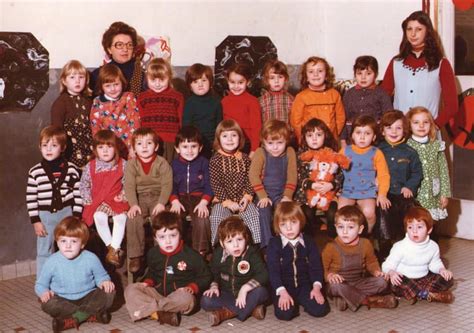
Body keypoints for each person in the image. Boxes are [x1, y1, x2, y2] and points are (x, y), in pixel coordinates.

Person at [124, 211, 212, 326]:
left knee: (187, 299)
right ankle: (161, 313)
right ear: (155, 238)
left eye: (173, 235)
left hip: (179, 296)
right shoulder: (153, 254)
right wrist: (148, 282)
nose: (168, 241)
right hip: (158, 293)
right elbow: (152, 272)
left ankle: (151, 312)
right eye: (162, 237)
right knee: (130, 289)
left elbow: (206, 276)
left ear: (180, 234)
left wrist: (192, 287)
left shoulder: (191, 255)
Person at [35, 216, 115, 332]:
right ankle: (91, 315)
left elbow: (101, 276)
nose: (68, 246)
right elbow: (40, 284)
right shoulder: (52, 261)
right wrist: (44, 292)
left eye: (73, 241)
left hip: (88, 297)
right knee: (48, 303)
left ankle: (71, 320)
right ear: (57, 242)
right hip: (63, 300)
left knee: (110, 293)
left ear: (82, 244)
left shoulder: (91, 258)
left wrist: (104, 282)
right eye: (63, 241)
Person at [381, 11, 458, 127]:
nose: (413, 34)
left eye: (418, 29)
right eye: (409, 29)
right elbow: (382, 98)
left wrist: (434, 126)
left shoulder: (442, 64)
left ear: (427, 31)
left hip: (428, 135)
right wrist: (391, 123)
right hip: (399, 133)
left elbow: (452, 106)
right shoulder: (396, 63)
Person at [26, 126, 82, 276]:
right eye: (45, 145)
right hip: (45, 217)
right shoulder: (35, 172)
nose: (49, 149)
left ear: (62, 148)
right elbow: (31, 198)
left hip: (67, 214)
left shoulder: (72, 169)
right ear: (40, 147)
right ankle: (44, 286)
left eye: (54, 145)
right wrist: (36, 221)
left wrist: (76, 216)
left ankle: (70, 279)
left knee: (70, 247)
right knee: (44, 250)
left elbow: (78, 194)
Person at [322, 206, 398, 312]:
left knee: (383, 282)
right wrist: (330, 275)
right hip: (339, 284)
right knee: (335, 287)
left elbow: (371, 262)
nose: (344, 232)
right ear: (335, 227)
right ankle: (369, 301)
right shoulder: (331, 247)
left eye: (350, 227)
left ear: (360, 229)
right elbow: (322, 268)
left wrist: (377, 272)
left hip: (358, 282)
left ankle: (346, 299)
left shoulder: (365, 244)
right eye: (340, 227)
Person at [201, 216, 269, 326]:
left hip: (248, 294)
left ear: (246, 239)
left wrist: (245, 289)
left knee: (261, 291)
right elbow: (214, 273)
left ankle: (224, 313)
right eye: (229, 241)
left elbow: (264, 274)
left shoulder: (251, 253)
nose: (236, 245)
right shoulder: (218, 254)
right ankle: (251, 310)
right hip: (227, 294)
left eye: (239, 239)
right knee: (205, 300)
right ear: (222, 244)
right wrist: (214, 286)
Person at [266, 202, 329, 320]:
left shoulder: (309, 242)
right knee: (285, 314)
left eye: (293, 222)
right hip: (284, 286)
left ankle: (302, 301)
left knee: (320, 309)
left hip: (304, 285)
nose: (289, 228)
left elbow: (316, 267)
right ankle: (292, 303)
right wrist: (281, 291)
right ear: (277, 226)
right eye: (283, 224)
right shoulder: (274, 244)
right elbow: (273, 271)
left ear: (301, 222)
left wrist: (316, 287)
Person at [124, 127, 173, 273]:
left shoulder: (162, 163)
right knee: (133, 219)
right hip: (139, 198)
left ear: (156, 146)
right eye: (139, 144)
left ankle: (162, 252)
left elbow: (167, 184)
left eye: (149, 143)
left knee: (160, 218)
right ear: (133, 148)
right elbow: (129, 186)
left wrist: (161, 203)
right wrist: (133, 205)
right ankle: (136, 256)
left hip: (158, 197)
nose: (144, 147)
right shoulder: (132, 164)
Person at [382, 206, 454, 304]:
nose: (414, 231)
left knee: (448, 279)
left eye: (419, 227)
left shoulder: (433, 246)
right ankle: (427, 294)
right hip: (405, 279)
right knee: (395, 283)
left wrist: (442, 270)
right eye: (410, 227)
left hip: (423, 278)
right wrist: (391, 272)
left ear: (429, 230)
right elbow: (387, 265)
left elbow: (435, 263)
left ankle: (416, 293)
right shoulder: (400, 246)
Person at [377, 110, 423, 259]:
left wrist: (409, 186)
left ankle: (408, 248)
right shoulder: (377, 150)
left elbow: (417, 173)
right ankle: (385, 251)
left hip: (402, 193)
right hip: (384, 192)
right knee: (383, 212)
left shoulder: (410, 152)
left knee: (410, 210)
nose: (394, 131)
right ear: (382, 131)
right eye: (389, 127)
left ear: (404, 130)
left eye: (398, 128)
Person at [80, 130, 129, 267]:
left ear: (116, 148)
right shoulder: (91, 166)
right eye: (101, 147)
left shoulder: (123, 164)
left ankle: (114, 248)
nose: (105, 151)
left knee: (121, 218)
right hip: (99, 201)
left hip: (116, 200)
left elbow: (129, 183)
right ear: (95, 150)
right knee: (98, 216)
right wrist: (87, 199)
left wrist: (123, 195)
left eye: (109, 147)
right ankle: (112, 249)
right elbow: (84, 185)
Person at [209, 120, 260, 246]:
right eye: (225, 136)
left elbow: (250, 179)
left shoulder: (245, 158)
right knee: (216, 217)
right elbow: (216, 184)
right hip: (223, 201)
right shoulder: (215, 160)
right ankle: (218, 247)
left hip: (243, 200)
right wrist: (227, 202)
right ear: (218, 139)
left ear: (240, 138)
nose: (230, 139)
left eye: (234, 135)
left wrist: (247, 197)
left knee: (254, 216)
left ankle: (256, 247)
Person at [338, 115, 391, 234]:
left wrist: (382, 194)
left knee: (369, 213)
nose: (362, 137)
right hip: (347, 191)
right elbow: (335, 170)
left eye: (367, 133)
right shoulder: (345, 151)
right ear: (352, 135)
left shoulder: (376, 153)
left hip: (367, 191)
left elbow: (383, 175)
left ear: (374, 137)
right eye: (358, 133)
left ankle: (366, 236)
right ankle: (345, 237)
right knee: (341, 212)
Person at [249, 120, 297, 248]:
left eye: (279, 143)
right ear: (264, 142)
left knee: (283, 211)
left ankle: (285, 240)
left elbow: (292, 176)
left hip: (282, 192)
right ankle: (268, 245)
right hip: (264, 192)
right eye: (270, 143)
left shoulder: (290, 152)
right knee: (264, 211)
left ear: (286, 141)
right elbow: (253, 175)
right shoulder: (261, 153)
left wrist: (287, 196)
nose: (275, 147)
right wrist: (262, 196)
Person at [170, 126, 213, 256]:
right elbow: (170, 185)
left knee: (202, 218)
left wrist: (204, 202)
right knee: (173, 219)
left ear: (200, 148)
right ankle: (174, 250)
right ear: (177, 148)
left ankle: (200, 251)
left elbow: (209, 185)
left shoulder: (204, 163)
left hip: (198, 199)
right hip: (180, 199)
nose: (189, 151)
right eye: (185, 147)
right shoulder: (174, 164)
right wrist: (174, 201)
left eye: (193, 146)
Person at [294, 118, 340, 236]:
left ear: (325, 136)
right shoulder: (301, 155)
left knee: (332, 213)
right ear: (304, 137)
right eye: (310, 135)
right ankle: (309, 239)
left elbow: (339, 175)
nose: (314, 139)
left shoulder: (331, 153)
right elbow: (298, 176)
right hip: (307, 193)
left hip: (328, 193)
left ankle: (333, 238)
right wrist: (311, 185)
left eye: (318, 135)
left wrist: (331, 185)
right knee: (307, 213)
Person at [406, 107, 451, 221]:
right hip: (416, 193)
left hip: (433, 192)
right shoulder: (406, 145)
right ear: (409, 125)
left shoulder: (437, 145)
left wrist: (444, 193)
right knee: (415, 220)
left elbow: (443, 171)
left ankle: (431, 237)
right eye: (416, 122)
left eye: (425, 122)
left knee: (430, 221)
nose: (421, 126)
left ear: (431, 125)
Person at [137, 58, 184, 163]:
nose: (157, 84)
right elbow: (139, 121)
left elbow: (181, 120)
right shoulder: (142, 97)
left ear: (169, 78)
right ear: (147, 79)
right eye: (153, 80)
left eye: (162, 80)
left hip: (171, 141)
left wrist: (180, 140)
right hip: (149, 142)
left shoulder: (177, 97)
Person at [90, 63, 140, 157]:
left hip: (128, 149)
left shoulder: (128, 97)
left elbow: (135, 123)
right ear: (102, 86)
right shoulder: (97, 102)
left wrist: (134, 146)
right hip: (107, 150)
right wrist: (99, 148)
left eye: (116, 84)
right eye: (108, 86)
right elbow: (95, 128)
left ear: (122, 82)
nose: (113, 89)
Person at [290, 56, 345, 142]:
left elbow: (340, 118)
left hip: (330, 140)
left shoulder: (334, 94)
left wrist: (334, 136)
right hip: (310, 141)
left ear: (326, 75)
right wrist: (304, 139)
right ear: (306, 77)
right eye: (311, 72)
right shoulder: (301, 97)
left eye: (320, 71)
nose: (316, 74)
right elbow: (295, 122)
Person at [51, 59, 93, 168]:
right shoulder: (61, 102)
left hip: (89, 147)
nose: (77, 81)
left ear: (86, 80)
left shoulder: (89, 101)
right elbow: (56, 129)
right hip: (70, 149)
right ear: (64, 81)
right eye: (72, 77)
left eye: (81, 77)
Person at [341, 55, 392, 146]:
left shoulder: (382, 94)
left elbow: (388, 118)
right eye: (359, 73)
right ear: (355, 74)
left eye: (368, 73)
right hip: (353, 138)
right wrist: (343, 139)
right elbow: (344, 118)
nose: (363, 77)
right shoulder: (349, 94)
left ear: (375, 74)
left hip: (376, 139)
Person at [90, 21, 145, 96]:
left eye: (129, 45)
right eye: (119, 45)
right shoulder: (97, 75)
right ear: (109, 49)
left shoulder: (143, 75)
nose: (125, 49)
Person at [221, 62, 262, 157]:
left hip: (247, 144)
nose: (236, 86)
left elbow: (256, 128)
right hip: (228, 143)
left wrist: (254, 149)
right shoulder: (224, 101)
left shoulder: (252, 101)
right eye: (232, 82)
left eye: (240, 82)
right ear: (227, 81)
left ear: (248, 82)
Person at [183, 63, 222, 159]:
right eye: (195, 82)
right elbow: (186, 126)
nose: (200, 84)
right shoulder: (189, 103)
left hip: (213, 144)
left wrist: (217, 143)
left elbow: (219, 124)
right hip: (195, 144)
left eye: (204, 80)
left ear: (210, 82)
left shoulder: (216, 101)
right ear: (190, 86)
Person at [258, 59, 294, 124]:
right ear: (266, 80)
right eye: (272, 78)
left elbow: (293, 122)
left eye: (280, 77)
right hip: (268, 133)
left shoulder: (291, 99)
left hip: (286, 133)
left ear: (285, 78)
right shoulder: (261, 101)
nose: (276, 81)